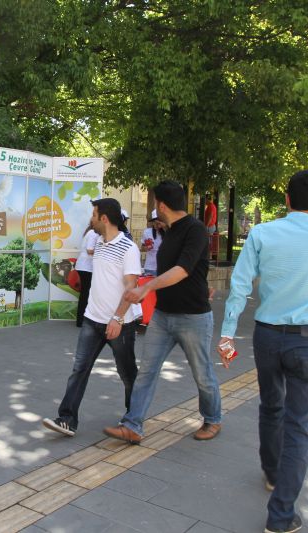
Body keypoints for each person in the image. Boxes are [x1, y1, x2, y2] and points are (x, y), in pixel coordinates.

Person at [216, 170, 308, 533]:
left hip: (267, 337)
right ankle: (281, 515)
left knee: (271, 406)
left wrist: (226, 336)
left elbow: (239, 286)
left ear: (286, 199)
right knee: (299, 426)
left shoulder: (262, 233)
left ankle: (271, 471)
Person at [103, 180, 222, 445]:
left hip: (193, 318)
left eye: (156, 202)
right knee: (147, 370)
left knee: (202, 374)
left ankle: (213, 418)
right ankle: (133, 425)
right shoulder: (168, 231)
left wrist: (147, 289)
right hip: (163, 315)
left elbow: (184, 270)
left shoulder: (196, 230)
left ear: (162, 205)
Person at [42, 198, 141, 437]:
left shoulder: (128, 248)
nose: (91, 219)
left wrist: (117, 318)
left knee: (127, 374)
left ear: (104, 218)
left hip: (121, 323)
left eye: (94, 214)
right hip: (92, 319)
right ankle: (66, 419)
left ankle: (133, 419)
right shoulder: (98, 241)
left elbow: (131, 287)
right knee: (79, 369)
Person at [75, 223, 98, 327]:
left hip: (84, 266)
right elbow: (89, 250)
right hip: (86, 267)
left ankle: (81, 320)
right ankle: (81, 320)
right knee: (86, 293)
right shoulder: (93, 233)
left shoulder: (89, 232)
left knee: (85, 293)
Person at [140, 209, 165, 276]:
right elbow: (142, 248)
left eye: (158, 223)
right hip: (150, 267)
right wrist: (147, 247)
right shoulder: (147, 232)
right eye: (154, 223)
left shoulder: (168, 232)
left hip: (164, 267)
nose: (156, 225)